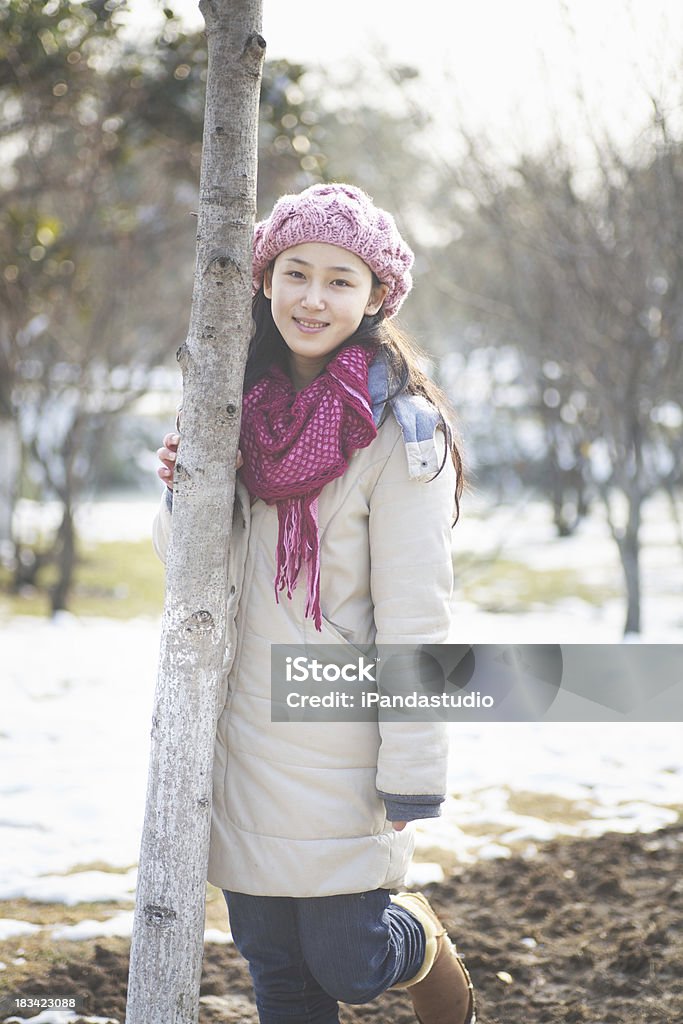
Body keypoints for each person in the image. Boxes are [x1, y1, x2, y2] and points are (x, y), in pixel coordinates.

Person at [153, 183, 475, 1024]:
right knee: (278, 975)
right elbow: (188, 575)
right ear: (264, 280)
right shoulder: (230, 408)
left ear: (375, 298)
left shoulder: (401, 430)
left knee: (347, 964)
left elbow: (418, 617)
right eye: (296, 273)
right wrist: (185, 492)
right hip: (238, 728)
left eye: (340, 280)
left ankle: (418, 942)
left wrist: (413, 774)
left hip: (339, 726)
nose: (313, 297)